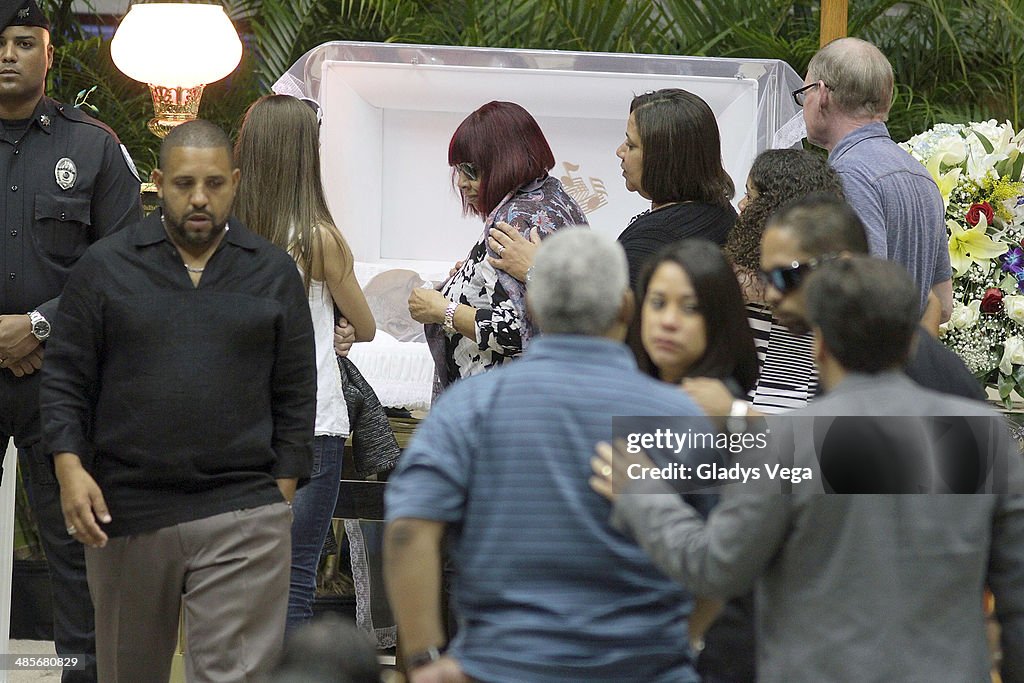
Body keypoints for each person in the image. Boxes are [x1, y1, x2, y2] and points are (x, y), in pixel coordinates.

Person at [594, 256, 1024, 683]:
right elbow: (1017, 594)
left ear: (819, 343)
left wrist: (643, 493)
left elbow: (717, 566)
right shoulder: (981, 434)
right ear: (910, 343)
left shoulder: (790, 442)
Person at [39, 120, 316, 683]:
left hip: (242, 510)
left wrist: (275, 498)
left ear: (235, 183)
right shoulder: (106, 269)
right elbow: (66, 380)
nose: (199, 198)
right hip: (127, 511)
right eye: (185, 183)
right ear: (157, 183)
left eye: (214, 184)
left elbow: (295, 394)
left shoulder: (271, 272)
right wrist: (70, 471)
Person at [384, 229, 711, 683]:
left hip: (502, 667)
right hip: (645, 667)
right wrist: (680, 642)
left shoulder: (470, 407)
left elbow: (406, 531)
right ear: (626, 308)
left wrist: (425, 657)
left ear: (533, 307)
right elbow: (726, 551)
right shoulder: (680, 417)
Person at [0, 2, 142, 680]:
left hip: (59, 378)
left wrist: (40, 325)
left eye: (24, 43)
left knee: (72, 553)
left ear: (49, 54)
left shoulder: (91, 145)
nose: (7, 55)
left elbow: (124, 266)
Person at [234, 93, 375, 635]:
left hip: (240, 422)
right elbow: (364, 327)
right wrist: (340, 325)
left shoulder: (229, 234)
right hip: (311, 420)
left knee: (241, 578)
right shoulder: (319, 240)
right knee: (293, 579)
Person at [685, 193, 985, 421]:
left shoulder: (880, 350)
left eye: (786, 276)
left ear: (841, 264)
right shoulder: (842, 341)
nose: (772, 294)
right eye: (765, 277)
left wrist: (736, 415)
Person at [408, 100, 587, 395]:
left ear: (504, 161)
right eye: (459, 171)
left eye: (471, 170)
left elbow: (515, 330)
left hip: (502, 406)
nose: (462, 183)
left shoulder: (516, 221)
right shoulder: (552, 196)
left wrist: (442, 309)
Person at [487, 88, 736, 289]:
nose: (620, 151)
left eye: (631, 144)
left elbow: (605, 322)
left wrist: (537, 271)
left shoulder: (653, 242)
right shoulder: (721, 213)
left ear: (664, 159)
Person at [797, 36, 952, 321]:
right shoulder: (920, 174)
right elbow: (942, 305)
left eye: (803, 92)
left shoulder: (848, 175)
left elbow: (861, 293)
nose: (802, 104)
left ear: (821, 94)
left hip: (862, 357)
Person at [725, 148, 845, 413]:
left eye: (750, 195)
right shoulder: (832, 270)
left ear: (772, 207)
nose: (742, 204)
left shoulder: (749, 278)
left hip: (759, 406)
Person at [633, 239, 758, 395]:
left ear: (721, 319)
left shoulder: (717, 410)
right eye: (658, 303)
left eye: (690, 308)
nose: (668, 321)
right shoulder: (624, 389)